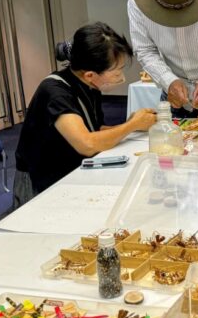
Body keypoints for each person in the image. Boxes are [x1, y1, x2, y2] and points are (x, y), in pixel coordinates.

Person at [13, 23, 156, 207]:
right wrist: (131, 126)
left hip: (71, 169)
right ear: (90, 75)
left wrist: (132, 124)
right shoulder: (56, 92)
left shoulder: (89, 86)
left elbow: (95, 129)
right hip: (42, 182)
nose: (121, 77)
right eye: (117, 71)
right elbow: (86, 144)